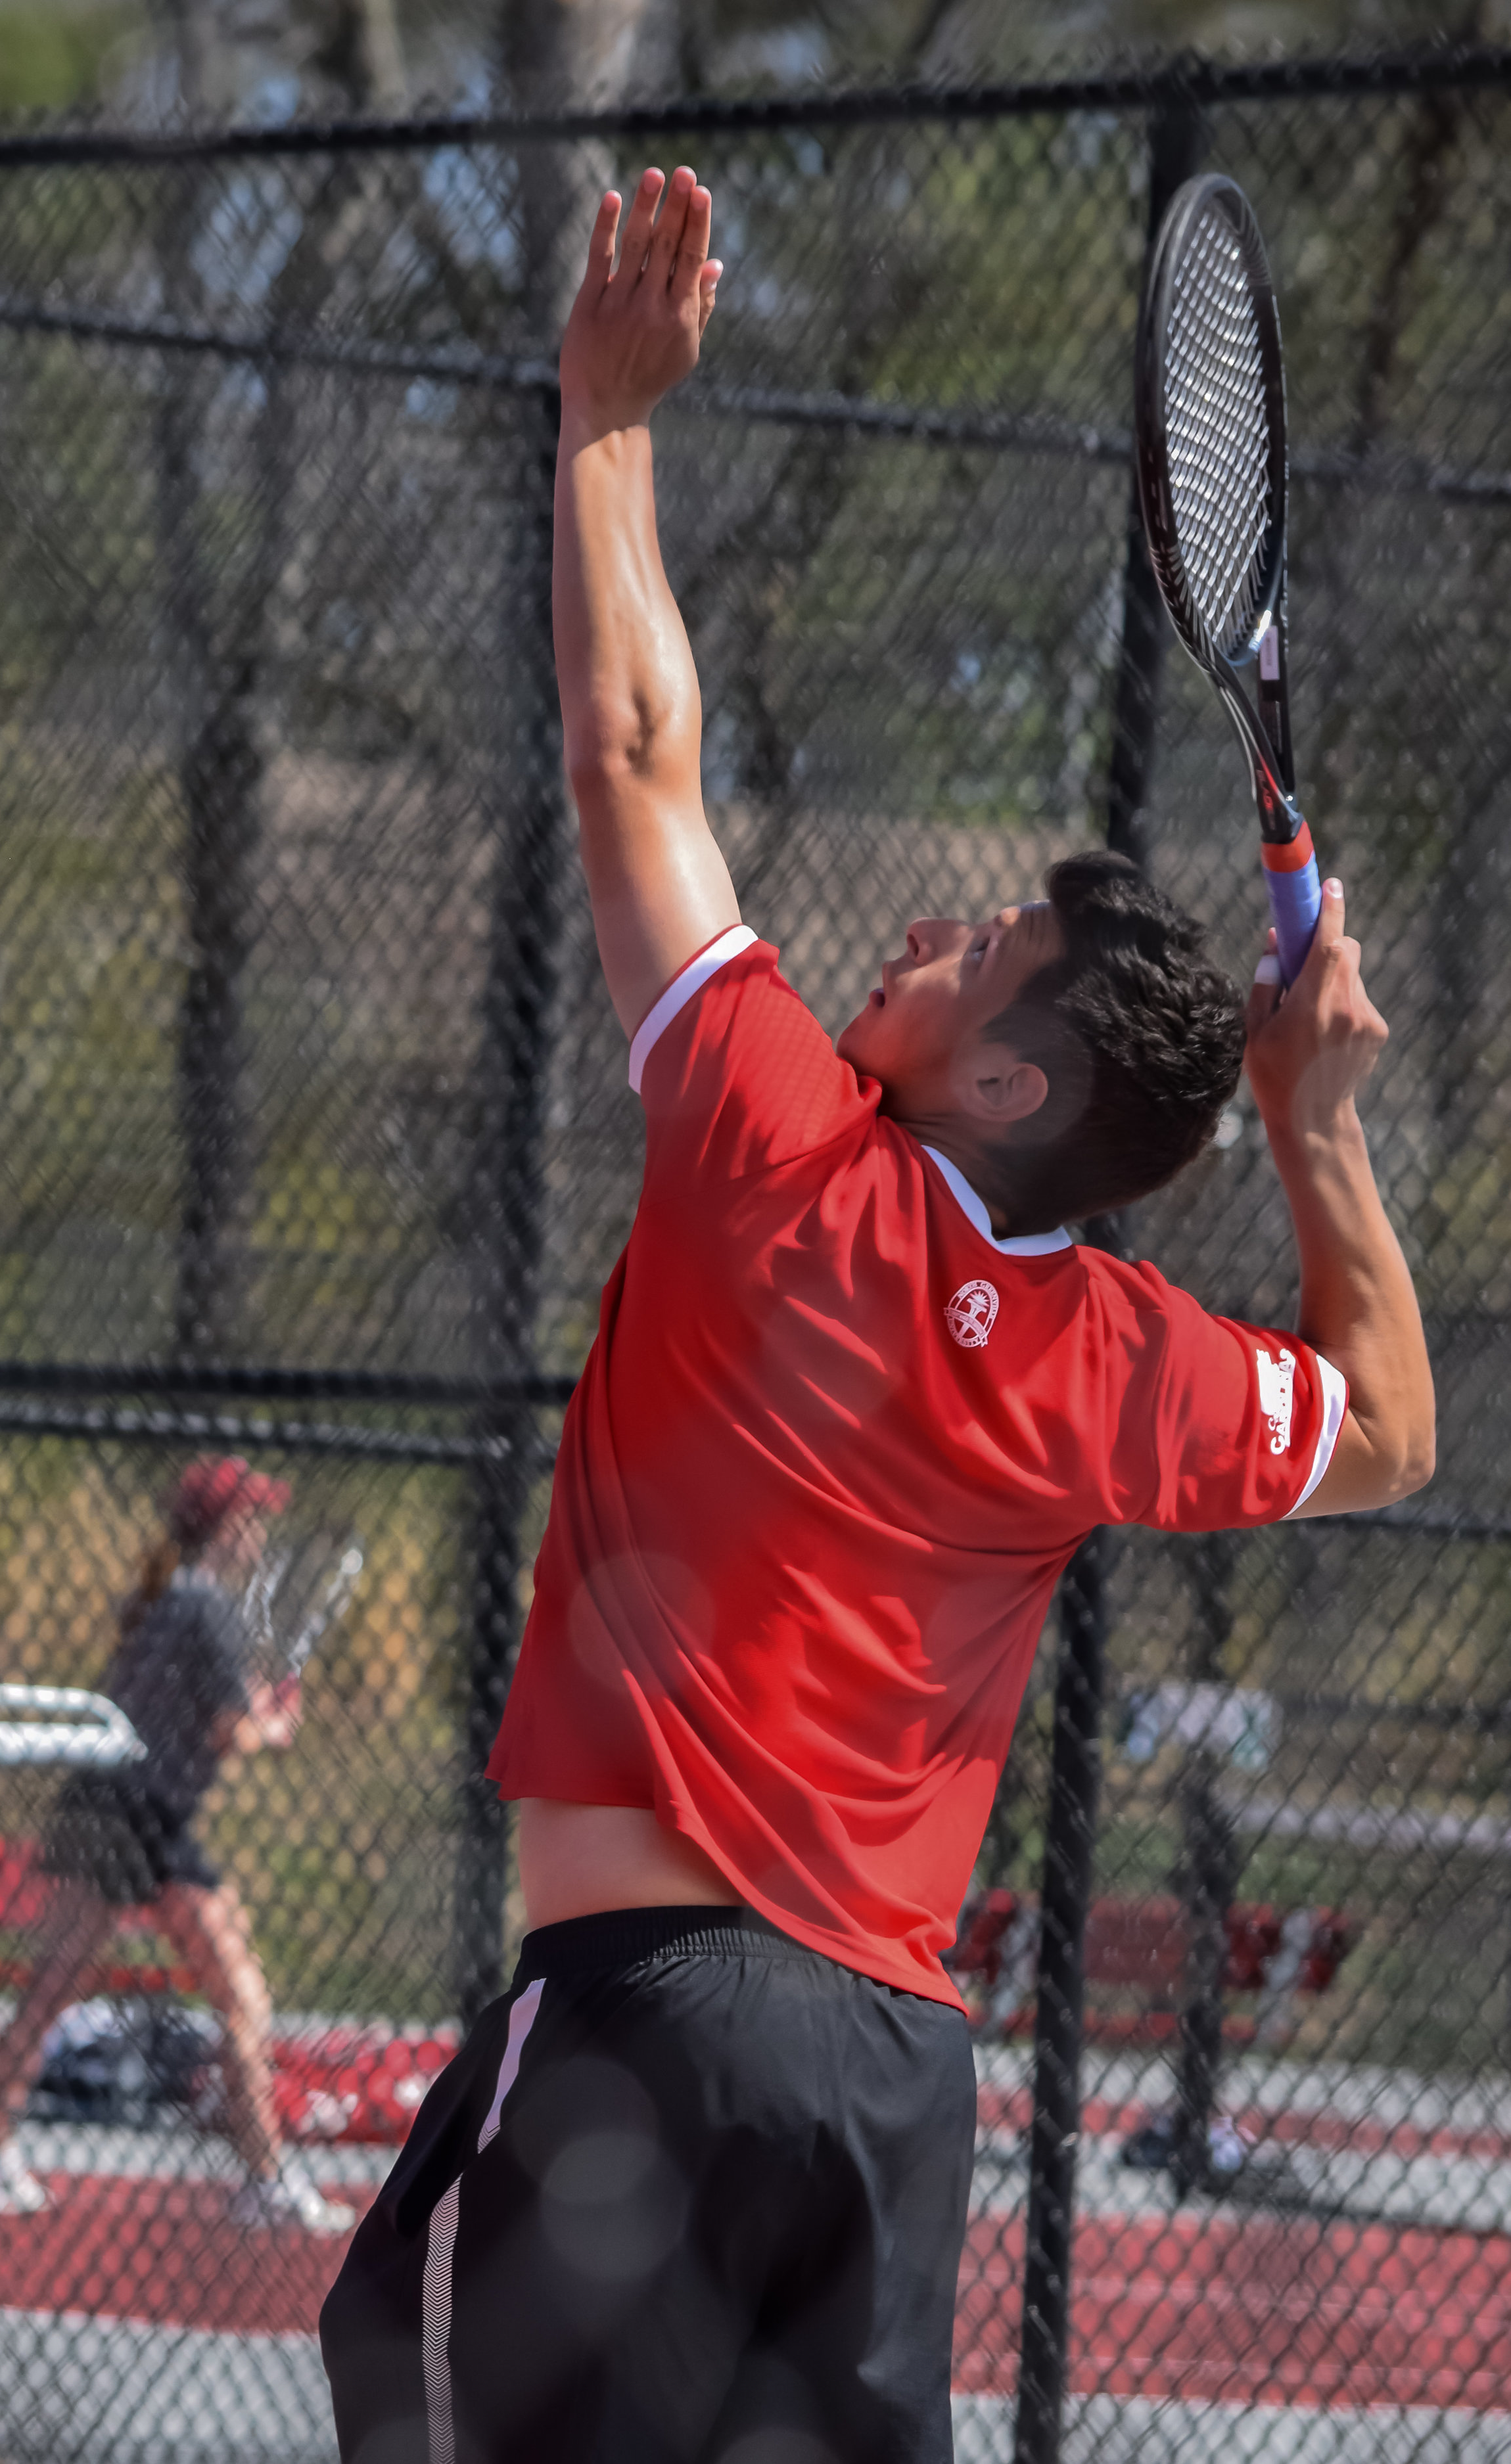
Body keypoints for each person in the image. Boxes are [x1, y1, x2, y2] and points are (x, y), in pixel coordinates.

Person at [321, 168, 1433, 2462]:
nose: (933, 930)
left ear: (1009, 1082)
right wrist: (1319, 1127)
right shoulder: (1125, 1366)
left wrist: (605, 425)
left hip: (648, 2035)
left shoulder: (778, 1155)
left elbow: (635, 753)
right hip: (884, 2090)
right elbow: (1395, 1429)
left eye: (981, 955)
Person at [0, 1454, 352, 2235]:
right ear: (224, 1525)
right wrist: (275, 1725)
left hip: (118, 1809)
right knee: (239, 1997)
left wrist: (257, 1714)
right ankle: (264, 2179)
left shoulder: (177, 1601)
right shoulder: (203, 1606)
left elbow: (202, 1713)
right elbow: (234, 1730)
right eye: (253, 1517)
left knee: (54, 1990)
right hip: (137, 1814)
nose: (263, 1532)